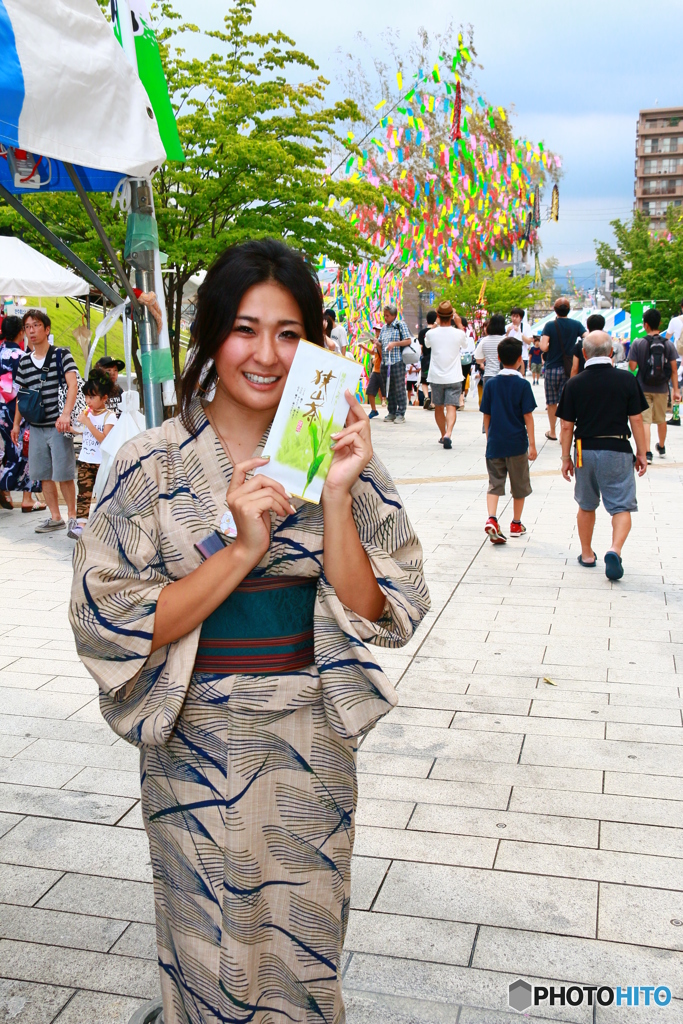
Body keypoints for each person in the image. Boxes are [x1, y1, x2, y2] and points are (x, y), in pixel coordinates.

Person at [69, 238, 429, 1024]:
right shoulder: (149, 463)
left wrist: (335, 497)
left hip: (309, 730)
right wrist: (240, 550)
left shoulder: (344, 457)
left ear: (314, 345)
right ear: (208, 336)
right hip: (195, 732)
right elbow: (109, 616)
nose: (266, 354)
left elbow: (384, 611)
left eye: (290, 333)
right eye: (244, 328)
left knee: (303, 940)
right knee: (205, 936)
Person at [558, 330, 649, 580]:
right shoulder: (627, 380)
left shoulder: (574, 383)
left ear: (584, 353)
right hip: (617, 448)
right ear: (612, 352)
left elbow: (566, 425)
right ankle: (614, 549)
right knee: (621, 505)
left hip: (582, 449)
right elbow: (637, 420)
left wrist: (565, 458)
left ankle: (587, 554)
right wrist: (642, 452)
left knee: (586, 504)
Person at [11, 310, 79, 535]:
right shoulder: (23, 362)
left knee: (65, 473)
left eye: (36, 325)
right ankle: (55, 517)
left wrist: (66, 414)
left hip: (58, 426)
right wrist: (16, 424)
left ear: (47, 329)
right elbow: (23, 396)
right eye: (28, 326)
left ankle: (72, 517)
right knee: (44, 474)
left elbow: (73, 385)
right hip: (36, 427)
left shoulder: (62, 355)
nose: (31, 330)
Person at [480, 337, 537, 543]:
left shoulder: (492, 384)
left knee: (494, 484)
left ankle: (492, 519)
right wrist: (532, 444)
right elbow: (528, 416)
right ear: (520, 359)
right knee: (519, 484)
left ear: (498, 358)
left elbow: (486, 415)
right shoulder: (522, 385)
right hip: (517, 443)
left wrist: (489, 437)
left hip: (495, 442)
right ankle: (515, 523)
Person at [0, 316, 44, 512]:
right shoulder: (23, 357)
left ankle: (6, 493)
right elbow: (27, 387)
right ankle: (27, 498)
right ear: (21, 332)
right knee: (27, 449)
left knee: (7, 450)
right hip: (17, 409)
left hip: (1, 408)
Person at [628, 308, 680, 461]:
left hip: (643, 387)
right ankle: (662, 447)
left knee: (645, 420)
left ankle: (648, 452)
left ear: (645, 325)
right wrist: (676, 390)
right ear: (660, 323)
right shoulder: (668, 345)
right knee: (661, 418)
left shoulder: (638, 343)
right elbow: (674, 370)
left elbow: (632, 367)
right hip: (662, 388)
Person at [71, 370, 117, 537]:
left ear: (104, 398)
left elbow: (104, 440)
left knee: (105, 493)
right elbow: (84, 432)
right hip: (85, 459)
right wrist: (71, 428)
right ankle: (81, 524)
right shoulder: (88, 414)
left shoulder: (110, 417)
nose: (87, 401)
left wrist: (88, 423)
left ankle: (105, 524)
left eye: (92, 397)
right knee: (84, 492)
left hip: (102, 462)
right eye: (86, 397)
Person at [539, 298, 586, 440]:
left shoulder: (549, 325)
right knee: (566, 401)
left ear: (555, 310)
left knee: (551, 401)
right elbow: (587, 338)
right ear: (569, 310)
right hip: (569, 368)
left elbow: (543, 346)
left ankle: (552, 431)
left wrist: (549, 348)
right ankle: (563, 433)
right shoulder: (576, 324)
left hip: (552, 367)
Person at [424, 299, 468, 450]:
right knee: (451, 407)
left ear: (437, 315)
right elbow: (466, 345)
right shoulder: (458, 333)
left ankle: (443, 434)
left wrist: (435, 324)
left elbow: (427, 344)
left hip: (436, 376)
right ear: (452, 316)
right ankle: (449, 433)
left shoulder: (431, 333)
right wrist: (460, 324)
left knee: (438, 407)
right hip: (454, 376)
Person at [379, 302, 412, 423]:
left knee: (399, 388)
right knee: (389, 388)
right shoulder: (384, 328)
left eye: (387, 315)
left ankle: (401, 413)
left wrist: (395, 344)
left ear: (393, 315)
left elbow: (408, 341)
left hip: (397, 361)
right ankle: (391, 411)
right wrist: (376, 343)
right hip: (385, 362)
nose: (385, 317)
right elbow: (381, 343)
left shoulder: (400, 325)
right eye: (384, 315)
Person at [474, 314, 507, 401]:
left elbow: (478, 359)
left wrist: (485, 358)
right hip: (504, 375)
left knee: (488, 405)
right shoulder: (506, 340)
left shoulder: (484, 340)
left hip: (489, 375)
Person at [359, 326, 384, 418]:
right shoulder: (376, 342)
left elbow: (382, 354)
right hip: (375, 370)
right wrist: (363, 347)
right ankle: (374, 410)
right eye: (376, 331)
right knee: (370, 391)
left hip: (383, 370)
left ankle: (391, 411)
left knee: (385, 391)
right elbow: (374, 353)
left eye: (378, 331)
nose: (377, 332)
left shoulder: (383, 342)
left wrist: (377, 344)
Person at [506, 306, 533, 375]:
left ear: (520, 318)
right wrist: (507, 332)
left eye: (516, 316)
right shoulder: (507, 327)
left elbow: (529, 341)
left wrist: (519, 333)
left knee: (521, 377)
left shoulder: (526, 327)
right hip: (510, 356)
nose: (514, 318)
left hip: (522, 356)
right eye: (513, 316)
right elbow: (503, 341)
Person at [418, 310, 436, 409]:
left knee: (424, 380)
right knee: (433, 380)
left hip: (425, 358)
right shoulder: (436, 332)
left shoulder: (422, 332)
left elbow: (420, 346)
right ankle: (433, 401)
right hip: (434, 358)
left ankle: (426, 396)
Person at [459, 316, 475, 406]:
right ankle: (461, 396)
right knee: (462, 377)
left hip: (464, 357)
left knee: (463, 376)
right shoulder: (467, 333)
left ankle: (461, 395)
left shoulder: (468, 333)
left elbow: (472, 346)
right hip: (463, 357)